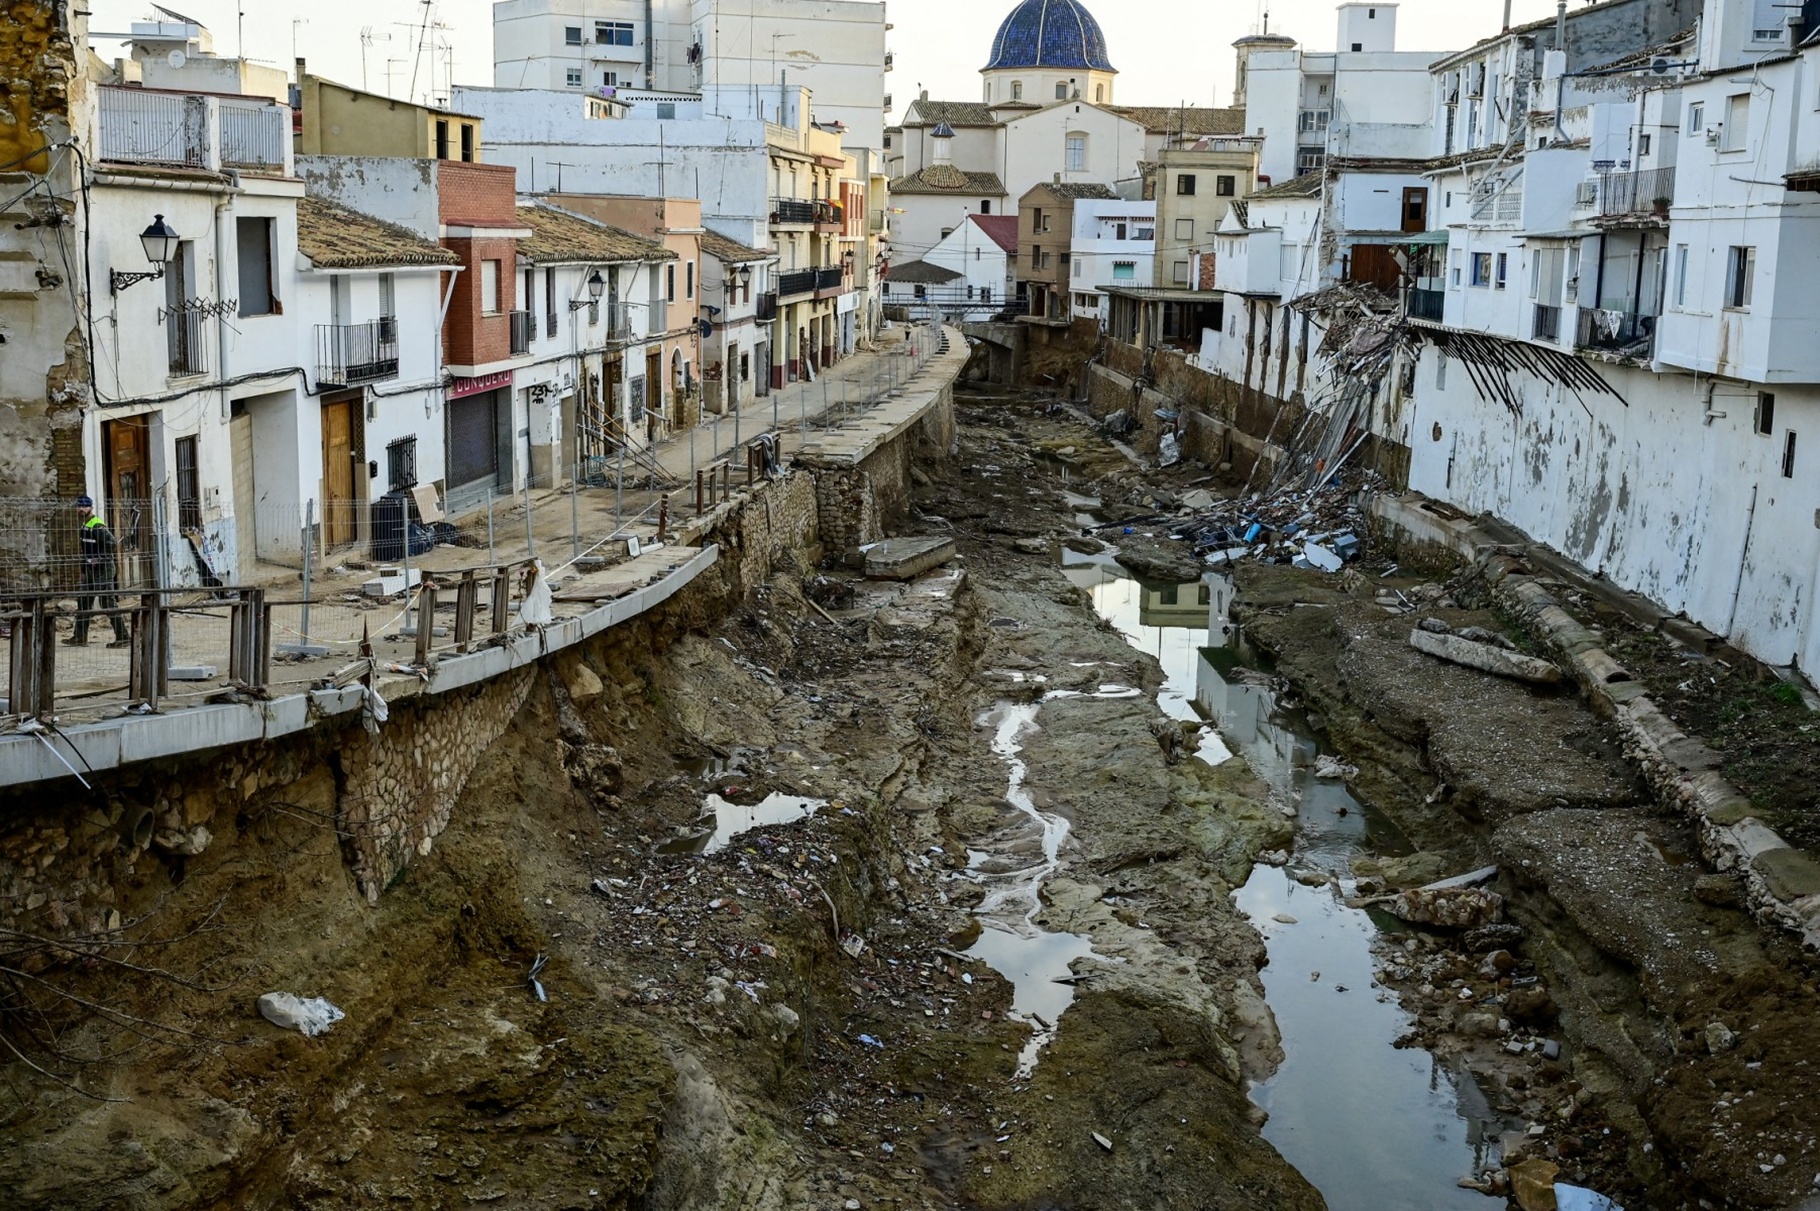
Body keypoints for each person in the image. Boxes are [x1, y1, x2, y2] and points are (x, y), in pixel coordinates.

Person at [68, 495, 129, 648]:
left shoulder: (97, 526)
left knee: (107, 602)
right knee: (83, 601)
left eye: (84, 506)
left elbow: (111, 543)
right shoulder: (84, 526)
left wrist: (100, 559)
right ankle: (79, 637)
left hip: (103, 570)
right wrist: (83, 569)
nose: (81, 509)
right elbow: (85, 551)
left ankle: (123, 637)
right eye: (79, 506)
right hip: (90, 570)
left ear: (91, 508)